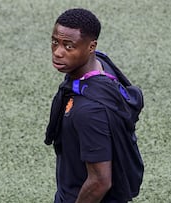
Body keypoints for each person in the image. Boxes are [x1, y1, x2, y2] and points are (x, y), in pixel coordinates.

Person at [45, 8, 144, 203]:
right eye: (55, 42)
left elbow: (100, 181)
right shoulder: (101, 64)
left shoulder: (89, 111)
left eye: (68, 46)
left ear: (91, 47)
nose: (57, 52)